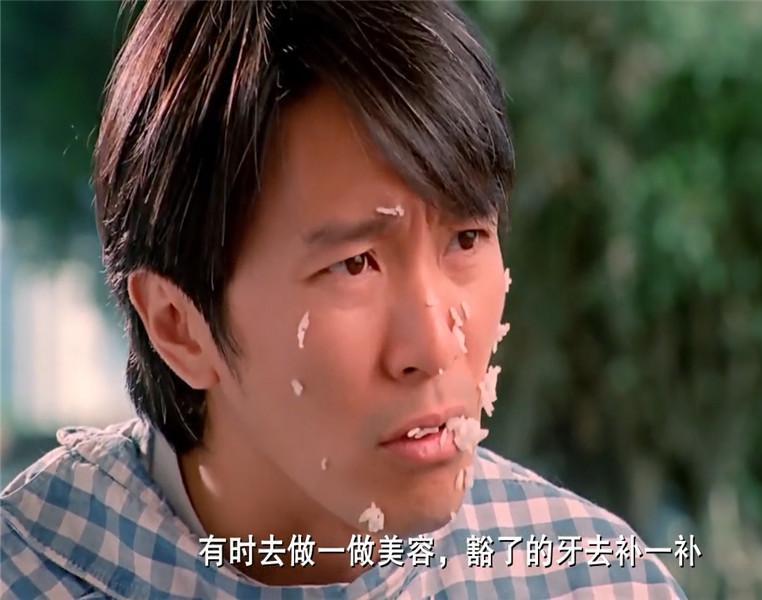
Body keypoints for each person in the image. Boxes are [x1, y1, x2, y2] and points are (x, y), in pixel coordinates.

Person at [1, 2, 686, 597]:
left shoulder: (589, 580)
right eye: (354, 265)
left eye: (467, 238)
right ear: (179, 326)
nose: (436, 346)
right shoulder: (32, 574)